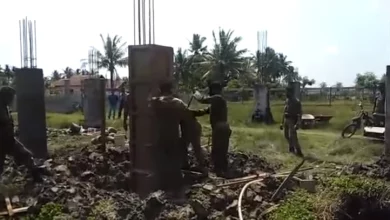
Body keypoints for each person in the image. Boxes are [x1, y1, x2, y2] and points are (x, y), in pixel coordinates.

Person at [150, 82, 195, 201]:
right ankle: (177, 190)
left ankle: (164, 188)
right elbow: (188, 117)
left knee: (161, 162)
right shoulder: (178, 103)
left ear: (160, 90)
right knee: (174, 163)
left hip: (160, 137)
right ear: (171, 89)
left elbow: (148, 102)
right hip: (174, 136)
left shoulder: (156, 102)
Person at [0, 87, 44, 182]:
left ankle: (36, 176)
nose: (12, 99)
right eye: (10, 97)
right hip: (2, 141)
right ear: (5, 97)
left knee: (26, 154)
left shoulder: (5, 107)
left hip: (9, 140)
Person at [193, 82, 231, 177]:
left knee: (218, 150)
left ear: (214, 90)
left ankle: (220, 171)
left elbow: (202, 99)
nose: (209, 92)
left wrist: (195, 92)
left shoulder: (217, 98)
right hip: (221, 127)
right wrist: (190, 113)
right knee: (220, 149)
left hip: (220, 127)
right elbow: (204, 111)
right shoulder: (216, 102)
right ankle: (222, 169)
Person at [180, 107, 209, 174]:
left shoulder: (182, 111)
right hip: (189, 129)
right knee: (185, 146)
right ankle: (186, 164)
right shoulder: (181, 110)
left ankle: (201, 165)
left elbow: (198, 112)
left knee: (195, 146)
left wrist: (206, 110)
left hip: (192, 129)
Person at [280, 86, 303, 157]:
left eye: (287, 92)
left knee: (293, 136)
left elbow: (300, 113)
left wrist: (298, 123)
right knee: (286, 135)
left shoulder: (296, 102)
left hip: (292, 120)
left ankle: (299, 151)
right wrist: (282, 122)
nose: (286, 93)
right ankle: (291, 148)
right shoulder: (287, 100)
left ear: (291, 92)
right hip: (286, 119)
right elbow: (284, 111)